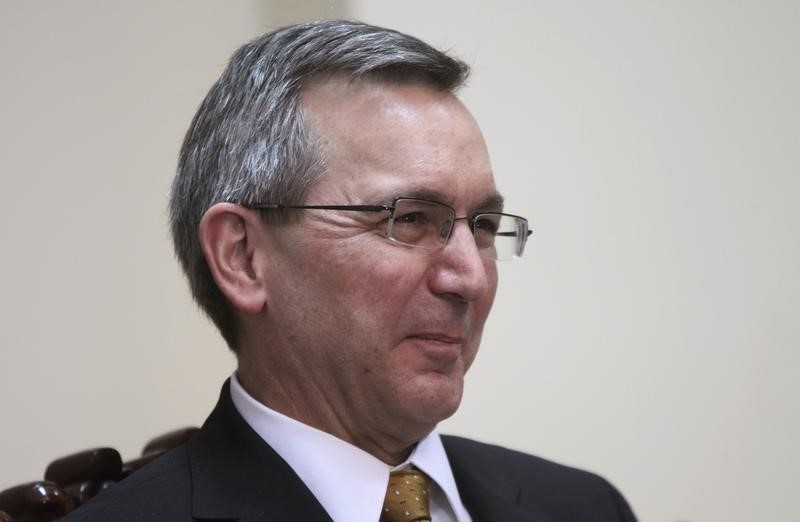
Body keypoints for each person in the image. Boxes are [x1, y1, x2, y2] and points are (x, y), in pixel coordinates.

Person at [65, 20, 636, 522]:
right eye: (410, 218)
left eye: (483, 226)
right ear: (242, 259)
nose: (471, 278)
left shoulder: (583, 507)